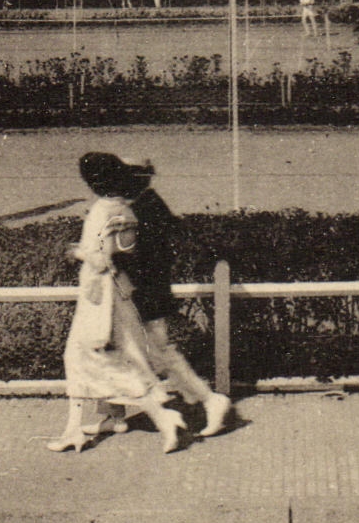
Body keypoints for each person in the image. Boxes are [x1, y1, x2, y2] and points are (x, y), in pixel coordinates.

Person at [48, 153, 188, 454]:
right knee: (125, 358)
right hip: (122, 293)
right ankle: (114, 418)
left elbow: (100, 259)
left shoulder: (101, 211)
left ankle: (162, 418)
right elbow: (125, 250)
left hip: (99, 298)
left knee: (78, 358)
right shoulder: (126, 209)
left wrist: (77, 252)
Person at [85, 159, 232, 440]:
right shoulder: (142, 204)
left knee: (160, 352)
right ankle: (112, 416)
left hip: (145, 294)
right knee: (116, 349)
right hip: (140, 291)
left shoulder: (144, 208)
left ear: (139, 178)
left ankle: (210, 400)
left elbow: (136, 257)